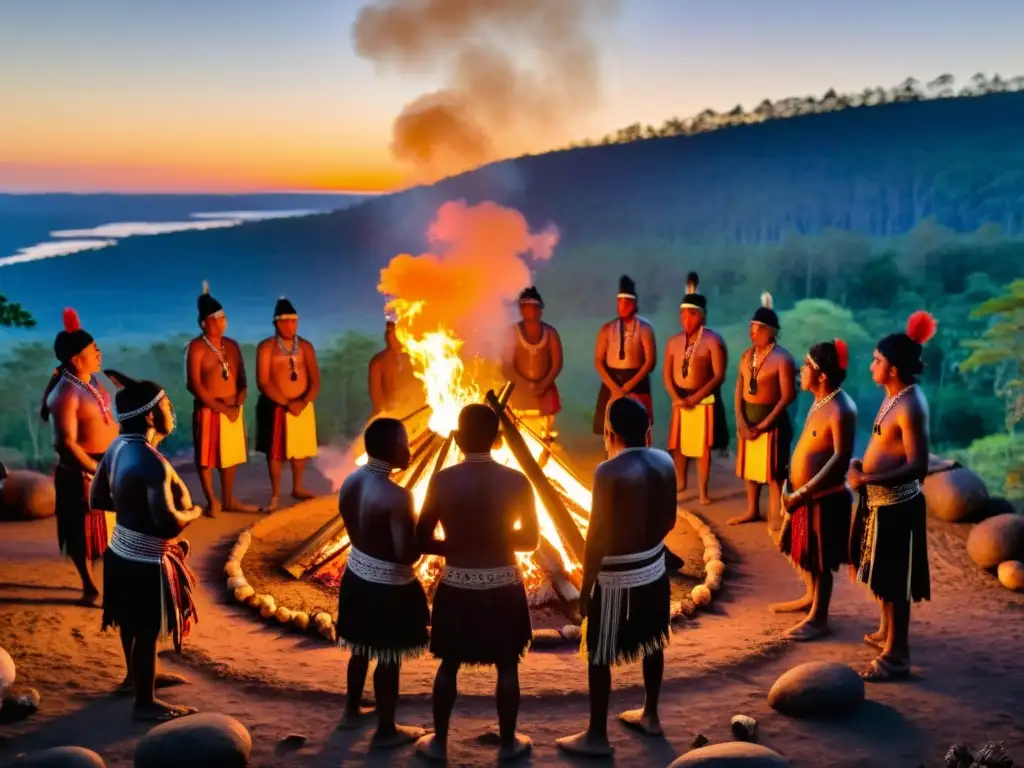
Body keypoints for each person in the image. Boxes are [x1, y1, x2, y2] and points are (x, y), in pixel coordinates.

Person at [414, 404, 538, 762]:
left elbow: (421, 540)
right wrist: (495, 539)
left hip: (458, 584)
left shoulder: (442, 480)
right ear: (498, 440)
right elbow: (530, 541)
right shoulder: (517, 482)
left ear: (457, 438)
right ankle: (508, 742)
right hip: (502, 586)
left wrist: (457, 544)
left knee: (448, 663)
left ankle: (439, 742)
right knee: (507, 664)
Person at [557, 397, 676, 757]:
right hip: (654, 567)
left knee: (599, 653)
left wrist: (587, 587)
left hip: (616, 576)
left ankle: (596, 735)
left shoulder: (607, 471)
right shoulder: (665, 460)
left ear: (609, 432)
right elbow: (669, 519)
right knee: (654, 641)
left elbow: (596, 538)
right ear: (648, 431)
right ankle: (651, 715)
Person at [89, 370, 202, 721]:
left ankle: (136, 678)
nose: (172, 410)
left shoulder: (118, 445)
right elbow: (168, 521)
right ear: (151, 415)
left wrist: (132, 513)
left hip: (121, 550)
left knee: (130, 622)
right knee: (147, 630)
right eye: (167, 404)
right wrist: (193, 512)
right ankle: (144, 702)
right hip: (143, 561)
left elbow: (97, 496)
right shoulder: (151, 462)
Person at [848, 311, 936, 682]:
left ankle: (897, 655)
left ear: (894, 369)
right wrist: (863, 468)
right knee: (881, 576)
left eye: (877, 360)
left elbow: (918, 465)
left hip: (897, 505)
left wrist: (866, 475)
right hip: (879, 501)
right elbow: (887, 443)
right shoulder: (894, 397)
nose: (872, 365)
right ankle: (887, 632)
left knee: (894, 579)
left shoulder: (911, 405)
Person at [335, 417, 430, 747]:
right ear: (391, 449)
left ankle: (351, 712)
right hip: (387, 587)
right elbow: (406, 554)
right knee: (388, 656)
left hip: (356, 575)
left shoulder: (351, 481)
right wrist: (432, 540)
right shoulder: (398, 497)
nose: (410, 447)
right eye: (405, 441)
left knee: (360, 648)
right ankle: (387, 730)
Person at [773, 340, 857, 639]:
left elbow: (840, 458)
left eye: (806, 365)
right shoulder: (819, 400)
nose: (800, 370)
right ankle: (811, 598)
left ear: (821, 375)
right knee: (804, 552)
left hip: (823, 497)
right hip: (804, 493)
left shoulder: (841, 408)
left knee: (820, 560)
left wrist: (803, 492)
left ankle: (819, 618)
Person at [40, 308, 119, 604]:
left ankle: (112, 582)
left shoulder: (91, 382)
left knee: (113, 529)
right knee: (80, 533)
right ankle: (88, 584)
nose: (98, 352)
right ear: (76, 358)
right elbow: (66, 443)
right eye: (92, 349)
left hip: (105, 463)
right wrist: (95, 469)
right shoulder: (65, 395)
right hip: (81, 472)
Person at [185, 281, 256, 516]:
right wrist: (219, 407)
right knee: (206, 457)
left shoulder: (233, 346)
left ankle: (228, 498)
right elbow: (194, 385)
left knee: (231, 454)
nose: (222, 322)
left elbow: (243, 379)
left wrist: (238, 403)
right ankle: (212, 500)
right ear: (204, 322)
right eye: (217, 318)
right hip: (208, 409)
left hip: (233, 407)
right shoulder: (196, 348)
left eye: (224, 317)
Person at [731, 292, 796, 528]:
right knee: (750, 469)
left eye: (757, 328)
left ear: (770, 331)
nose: (752, 332)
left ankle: (776, 516)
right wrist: (740, 419)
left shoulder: (782, 358)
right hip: (748, 418)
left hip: (773, 422)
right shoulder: (746, 356)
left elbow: (788, 396)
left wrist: (765, 424)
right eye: (751, 327)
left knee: (774, 472)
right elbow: (739, 389)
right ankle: (751, 510)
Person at [663, 273, 728, 505]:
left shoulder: (713, 341)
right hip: (679, 399)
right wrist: (676, 397)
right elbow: (667, 375)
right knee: (679, 445)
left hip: (704, 400)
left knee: (702, 447)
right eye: (683, 314)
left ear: (701, 316)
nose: (686, 319)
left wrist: (698, 396)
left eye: (691, 314)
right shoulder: (673, 342)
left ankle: (702, 490)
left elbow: (719, 375)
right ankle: (681, 482)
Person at [255, 297, 321, 511]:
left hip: (302, 405)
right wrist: (285, 402)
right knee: (276, 453)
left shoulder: (306, 347)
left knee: (300, 449)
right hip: (276, 406)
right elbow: (263, 381)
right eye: (284, 322)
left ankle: (298, 487)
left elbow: (315, 380)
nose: (289, 326)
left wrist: (303, 401)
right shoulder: (266, 348)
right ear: (276, 323)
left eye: (293, 321)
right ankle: (275, 494)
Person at [593, 275, 657, 452]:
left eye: (627, 302)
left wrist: (628, 386)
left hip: (637, 381)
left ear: (635, 304)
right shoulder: (606, 329)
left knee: (638, 429)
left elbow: (650, 362)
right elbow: (598, 361)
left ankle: (641, 461)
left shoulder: (645, 329)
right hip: (612, 381)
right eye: (620, 302)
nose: (623, 306)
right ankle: (612, 461)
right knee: (612, 428)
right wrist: (615, 388)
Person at [502, 286, 564, 441]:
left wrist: (543, 385)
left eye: (535, 307)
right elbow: (506, 364)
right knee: (515, 427)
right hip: (518, 391)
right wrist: (523, 385)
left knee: (545, 432)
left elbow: (557, 364)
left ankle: (545, 449)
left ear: (540, 310)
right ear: (522, 310)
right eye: (528, 307)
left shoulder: (550, 333)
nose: (532, 311)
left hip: (545, 391)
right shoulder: (512, 332)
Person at [368, 320, 423, 416]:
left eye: (393, 331)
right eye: (387, 331)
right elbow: (376, 399)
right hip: (391, 413)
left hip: (416, 410)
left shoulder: (418, 356)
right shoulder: (378, 362)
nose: (389, 335)